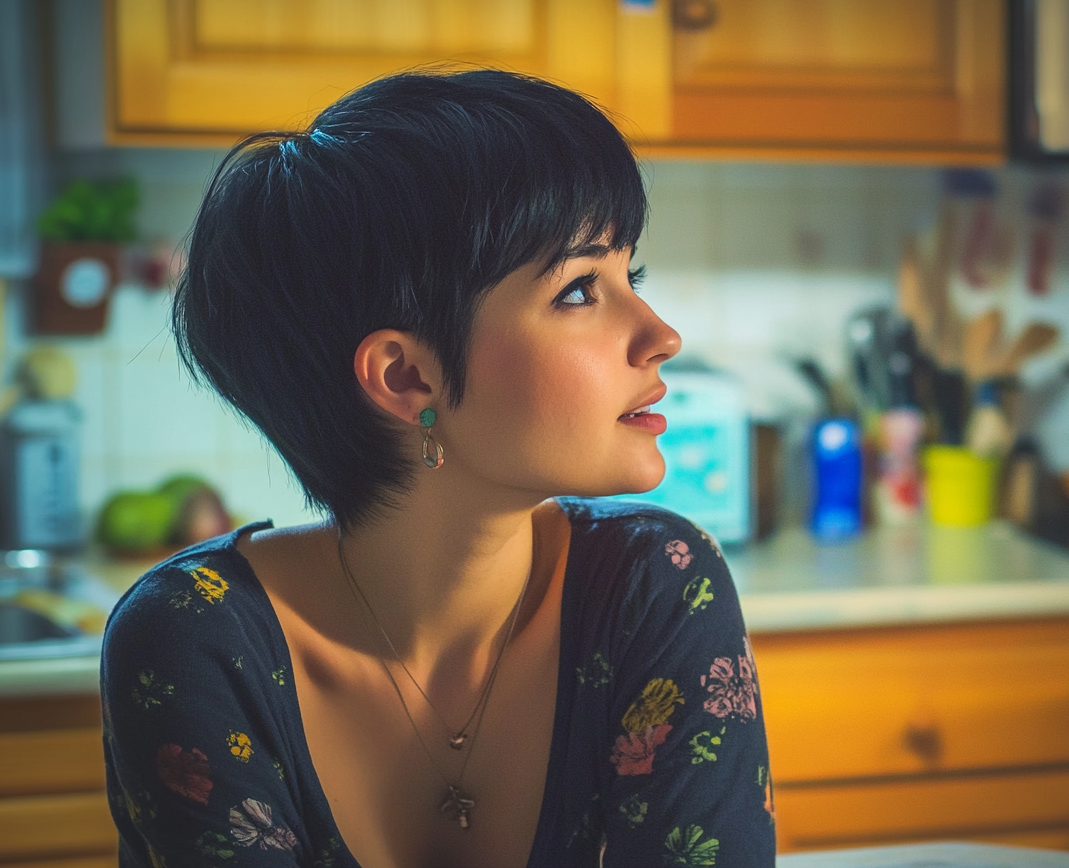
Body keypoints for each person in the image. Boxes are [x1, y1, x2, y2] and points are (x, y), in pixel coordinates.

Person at [100, 70, 774, 868]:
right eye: (579, 290)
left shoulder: (654, 580)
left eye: (635, 277)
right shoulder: (192, 639)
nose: (661, 334)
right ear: (406, 378)